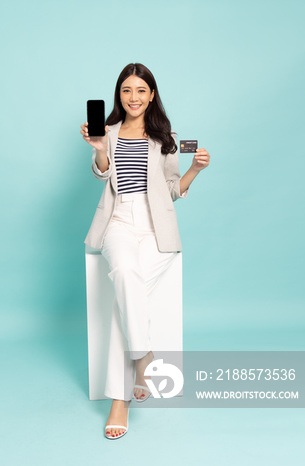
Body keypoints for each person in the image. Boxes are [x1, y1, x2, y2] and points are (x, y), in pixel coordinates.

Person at [80, 63, 210, 440]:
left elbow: (171, 189)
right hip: (119, 220)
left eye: (141, 90)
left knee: (126, 296)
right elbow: (102, 173)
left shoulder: (165, 136)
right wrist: (101, 149)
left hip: (157, 229)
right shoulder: (108, 132)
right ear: (118, 95)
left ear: (152, 94)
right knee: (125, 274)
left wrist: (195, 170)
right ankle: (144, 360)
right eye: (126, 90)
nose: (133, 97)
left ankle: (120, 398)